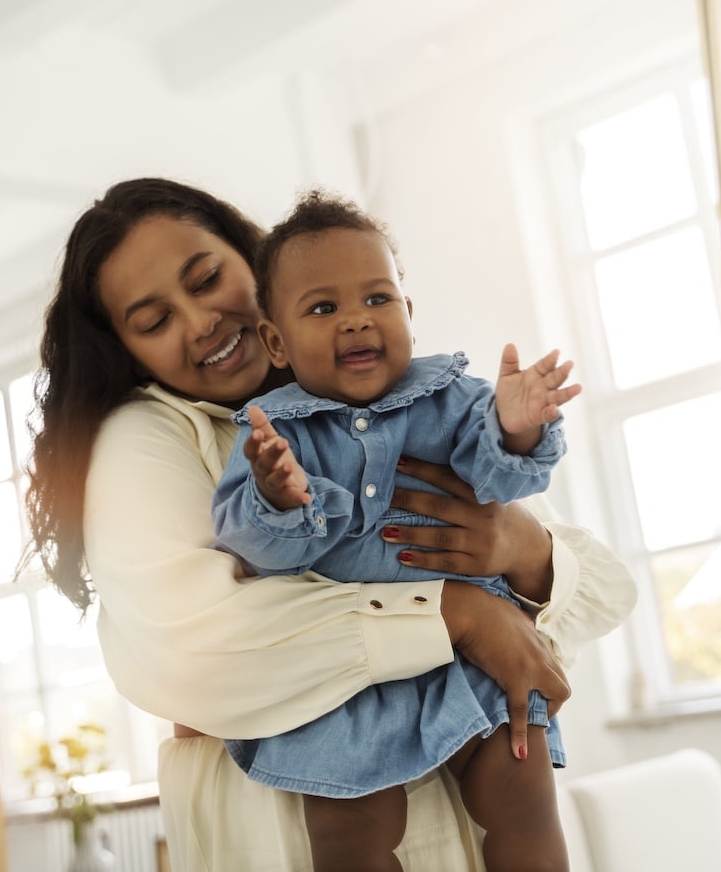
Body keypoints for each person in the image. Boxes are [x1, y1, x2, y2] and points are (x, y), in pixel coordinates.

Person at [22, 176, 637, 872]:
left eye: (207, 278)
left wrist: (522, 546)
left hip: (463, 783)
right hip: (284, 814)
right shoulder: (148, 439)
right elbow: (202, 646)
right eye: (155, 320)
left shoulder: (403, 394)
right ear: (127, 350)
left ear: (252, 263)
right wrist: (459, 613)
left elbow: (603, 596)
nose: (199, 322)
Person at [211, 191, 580, 872]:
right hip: (349, 676)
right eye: (323, 308)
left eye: (377, 298)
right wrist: (278, 496)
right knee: (348, 833)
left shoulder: (450, 396)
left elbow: (497, 478)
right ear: (276, 341)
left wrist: (516, 426)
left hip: (473, 663)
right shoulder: (274, 432)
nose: (356, 319)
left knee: (523, 794)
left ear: (408, 311)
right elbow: (249, 548)